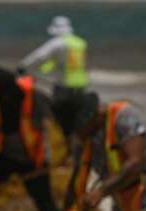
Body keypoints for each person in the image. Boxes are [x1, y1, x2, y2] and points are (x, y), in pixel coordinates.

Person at [0, 68, 59, 211]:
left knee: (46, 204)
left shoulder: (34, 97)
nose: (5, 98)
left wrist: (60, 155)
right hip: (4, 157)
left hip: (33, 159)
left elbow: (53, 125)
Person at [18, 16, 88, 147]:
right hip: (81, 86)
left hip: (65, 87)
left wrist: (23, 66)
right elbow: (63, 62)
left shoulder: (58, 43)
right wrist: (45, 69)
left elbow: (39, 56)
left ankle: (67, 152)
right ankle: (77, 152)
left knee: (61, 121)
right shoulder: (80, 43)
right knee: (77, 121)